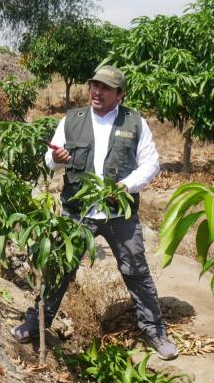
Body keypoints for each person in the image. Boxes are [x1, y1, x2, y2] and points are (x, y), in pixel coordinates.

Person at [11, 66, 178, 360]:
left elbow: (150, 164)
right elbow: (51, 160)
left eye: (105, 88)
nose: (97, 92)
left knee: (135, 270)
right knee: (61, 267)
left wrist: (125, 186)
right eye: (94, 86)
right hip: (78, 212)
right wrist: (56, 157)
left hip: (119, 214)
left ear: (120, 94)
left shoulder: (135, 122)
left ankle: (154, 330)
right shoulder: (72, 120)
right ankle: (37, 322)